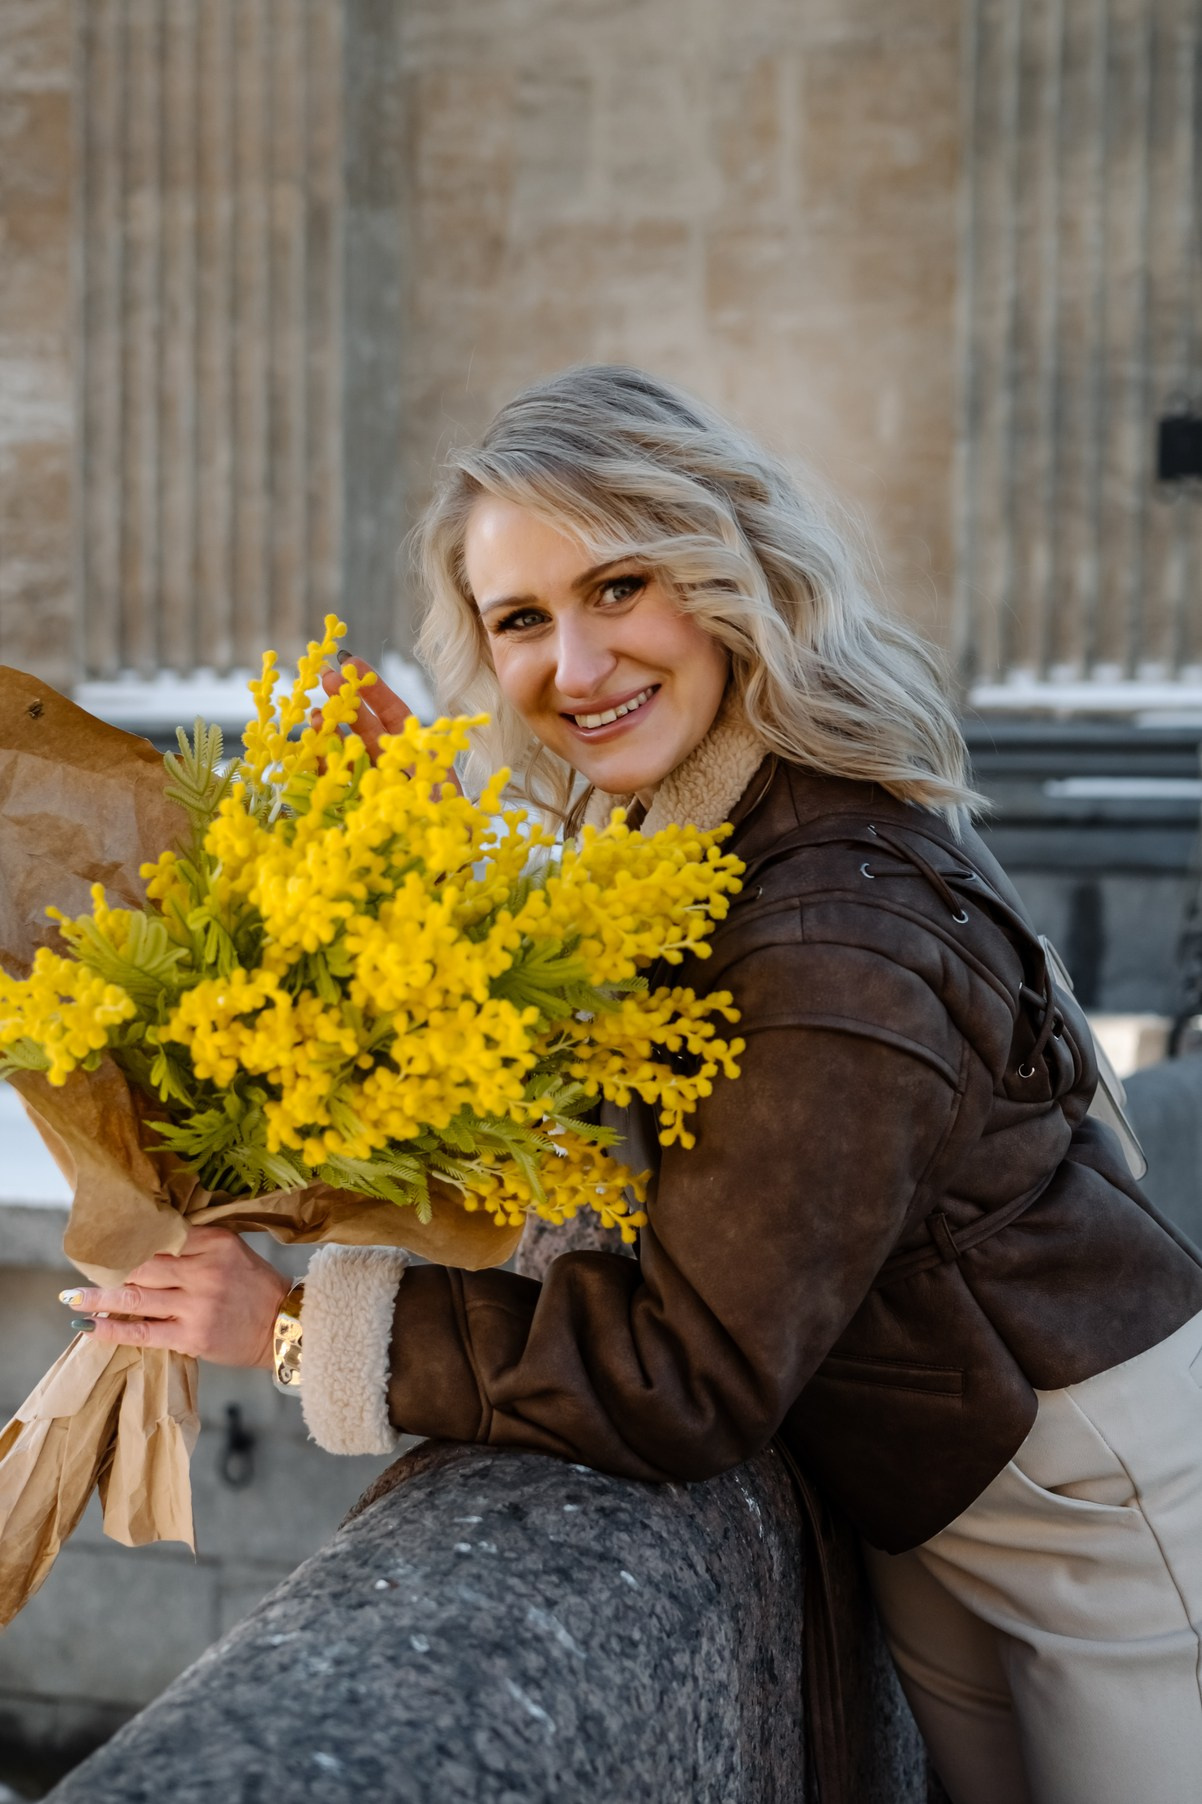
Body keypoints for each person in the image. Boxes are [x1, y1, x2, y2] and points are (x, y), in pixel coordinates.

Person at [63, 367, 1202, 1804]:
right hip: (962, 1488)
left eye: (619, 588)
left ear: (728, 577)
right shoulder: (715, 833)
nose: (576, 667)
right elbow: (662, 1034)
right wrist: (419, 883)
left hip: (1102, 1516)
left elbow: (687, 1375)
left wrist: (299, 1329)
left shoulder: (830, 937)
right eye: (521, 619)